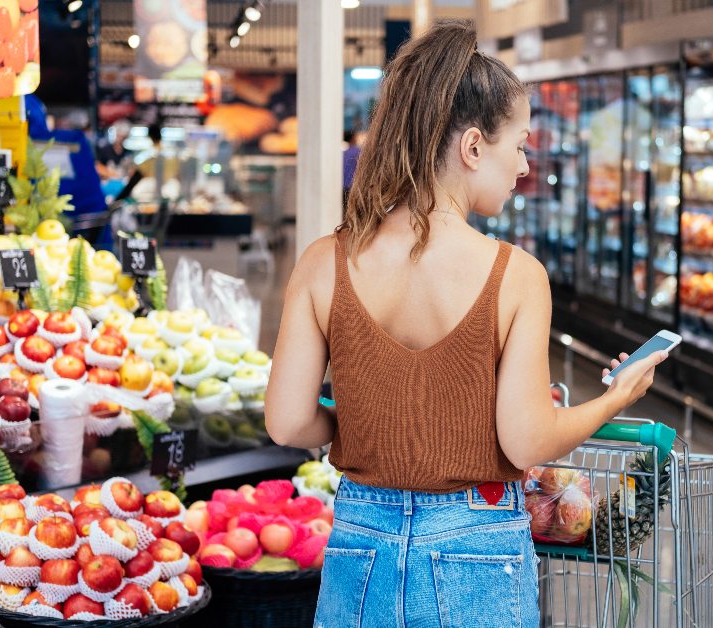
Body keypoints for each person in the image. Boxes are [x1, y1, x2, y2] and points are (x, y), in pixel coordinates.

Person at [265, 20, 668, 627]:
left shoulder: (326, 261)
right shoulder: (515, 276)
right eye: (520, 144)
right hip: (476, 549)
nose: (525, 165)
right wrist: (617, 397)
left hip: (358, 543)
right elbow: (527, 441)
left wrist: (364, 422)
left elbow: (289, 421)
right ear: (473, 147)